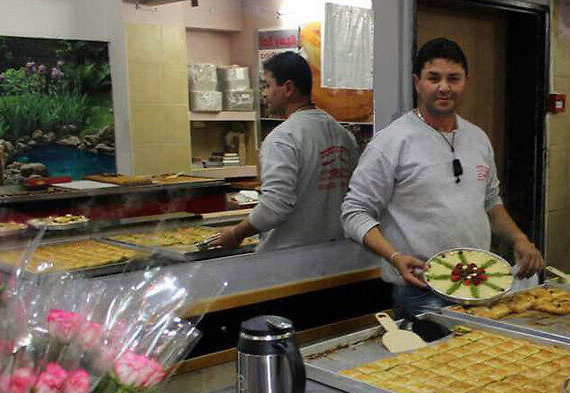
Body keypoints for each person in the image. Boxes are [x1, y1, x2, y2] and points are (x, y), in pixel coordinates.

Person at [341, 38, 544, 319]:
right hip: (420, 290)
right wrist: (394, 257)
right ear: (417, 82)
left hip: (479, 285)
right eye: (434, 78)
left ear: (466, 81)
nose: (444, 87)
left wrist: (519, 238)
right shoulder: (391, 142)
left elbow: (490, 201)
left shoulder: (478, 138)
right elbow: (354, 213)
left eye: (453, 78)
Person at [209, 52, 358, 251]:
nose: (264, 94)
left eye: (267, 86)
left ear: (288, 88)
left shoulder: (283, 138)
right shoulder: (343, 135)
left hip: (289, 257)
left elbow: (274, 207)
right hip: (337, 252)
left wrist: (236, 234)